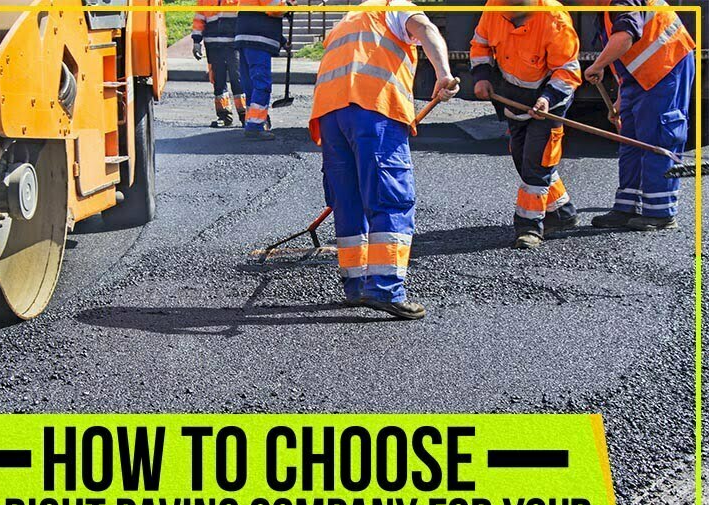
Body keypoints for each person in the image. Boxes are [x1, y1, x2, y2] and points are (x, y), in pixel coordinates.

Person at [308, 0, 458, 320]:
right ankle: (386, 288)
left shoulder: (347, 21)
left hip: (331, 116)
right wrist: (444, 73)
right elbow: (427, 30)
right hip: (373, 109)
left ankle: (356, 285)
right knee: (390, 197)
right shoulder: (395, 7)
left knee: (348, 201)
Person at [471, 0, 582, 249]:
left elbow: (567, 72)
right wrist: (481, 77)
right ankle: (563, 212)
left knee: (537, 164)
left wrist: (547, 99)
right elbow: (480, 45)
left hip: (548, 104)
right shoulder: (494, 8)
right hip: (513, 100)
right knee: (523, 158)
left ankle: (529, 227)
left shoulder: (554, 20)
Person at [584, 0, 695, 231]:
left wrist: (597, 65)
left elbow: (625, 37)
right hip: (640, 75)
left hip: (667, 63)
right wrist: (622, 97)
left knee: (658, 136)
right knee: (630, 138)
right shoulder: (604, 10)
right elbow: (626, 55)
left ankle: (661, 212)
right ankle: (627, 207)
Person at [235, 0, 290, 140]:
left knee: (251, 86)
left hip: (246, 36)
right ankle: (255, 126)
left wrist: (282, 41)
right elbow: (275, 8)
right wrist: (288, 7)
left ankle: (251, 122)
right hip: (258, 40)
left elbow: (259, 13)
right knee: (261, 84)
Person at [192, 0, 247, 127]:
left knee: (238, 79)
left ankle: (245, 115)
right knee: (218, 80)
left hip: (234, 44)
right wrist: (196, 42)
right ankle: (224, 116)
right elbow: (199, 19)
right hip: (213, 45)